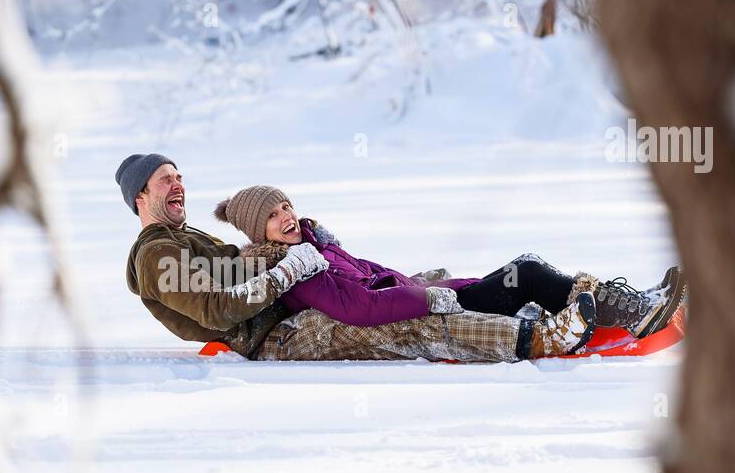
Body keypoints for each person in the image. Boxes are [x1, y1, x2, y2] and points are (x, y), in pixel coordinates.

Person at [118, 154, 636, 364]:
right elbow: (215, 310)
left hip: (297, 307)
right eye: (166, 179)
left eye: (179, 174)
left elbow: (257, 262)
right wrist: (287, 272)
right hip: (275, 336)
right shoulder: (158, 254)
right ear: (141, 198)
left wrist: (322, 249)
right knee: (406, 321)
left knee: (423, 284)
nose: (178, 183)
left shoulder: (196, 240)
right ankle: (537, 337)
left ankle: (601, 300)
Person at [213, 184, 686, 362]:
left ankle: (622, 303)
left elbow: (381, 276)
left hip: (428, 295)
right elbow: (358, 308)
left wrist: (438, 285)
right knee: (526, 271)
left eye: (285, 204)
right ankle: (634, 312)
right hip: (423, 311)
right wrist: (432, 299)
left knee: (525, 272)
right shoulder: (297, 268)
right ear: (262, 232)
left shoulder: (318, 245)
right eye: (273, 216)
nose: (286, 215)